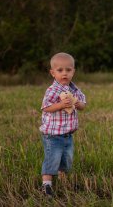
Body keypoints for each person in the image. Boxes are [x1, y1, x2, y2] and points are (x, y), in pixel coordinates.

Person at [39, 52, 86, 196]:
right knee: (52, 159)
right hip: (52, 135)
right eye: (60, 70)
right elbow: (46, 107)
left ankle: (64, 182)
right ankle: (46, 185)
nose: (64, 73)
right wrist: (60, 105)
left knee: (66, 160)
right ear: (52, 73)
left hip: (68, 135)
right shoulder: (52, 90)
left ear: (73, 71)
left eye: (68, 70)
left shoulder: (74, 90)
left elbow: (83, 105)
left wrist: (78, 103)